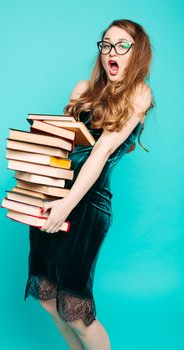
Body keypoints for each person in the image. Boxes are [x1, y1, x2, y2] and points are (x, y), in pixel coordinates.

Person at [24, 19, 154, 350]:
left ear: (136, 53)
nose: (112, 51)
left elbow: (103, 149)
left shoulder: (139, 93)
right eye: (106, 44)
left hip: (87, 208)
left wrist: (66, 204)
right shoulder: (83, 90)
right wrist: (33, 169)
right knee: (47, 299)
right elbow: (61, 149)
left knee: (74, 309)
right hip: (52, 196)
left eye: (122, 45)